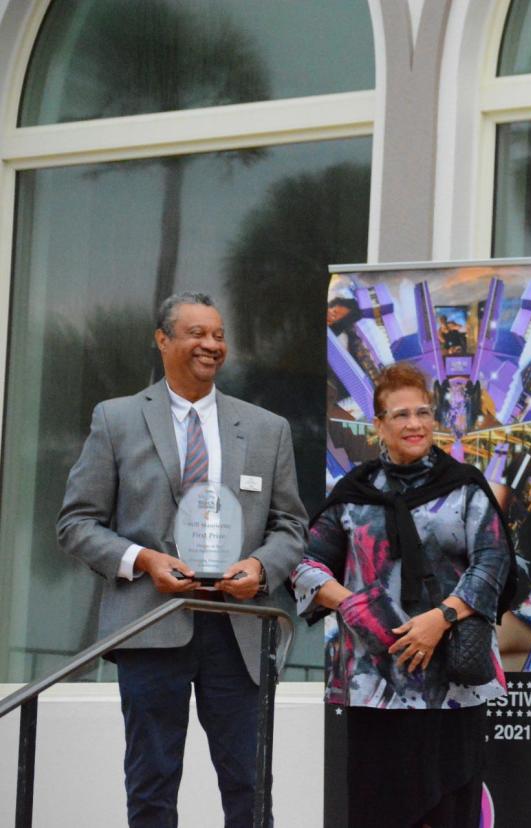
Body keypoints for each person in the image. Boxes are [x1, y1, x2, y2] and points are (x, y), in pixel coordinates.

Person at [56, 292, 308, 828]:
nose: (211, 345)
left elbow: (291, 526)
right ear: (163, 340)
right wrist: (143, 559)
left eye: (218, 335)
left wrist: (261, 568)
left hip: (238, 629)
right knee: (152, 784)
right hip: (151, 624)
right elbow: (76, 524)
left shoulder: (267, 428)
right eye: (197, 333)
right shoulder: (117, 420)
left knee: (250, 784)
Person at [292, 362, 514, 828]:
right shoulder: (353, 494)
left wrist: (441, 618)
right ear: (379, 425)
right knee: (381, 811)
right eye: (400, 415)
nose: (414, 424)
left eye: (422, 413)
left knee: (452, 810)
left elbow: (493, 560)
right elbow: (306, 564)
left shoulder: (465, 488)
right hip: (377, 685)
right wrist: (348, 601)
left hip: (452, 683)